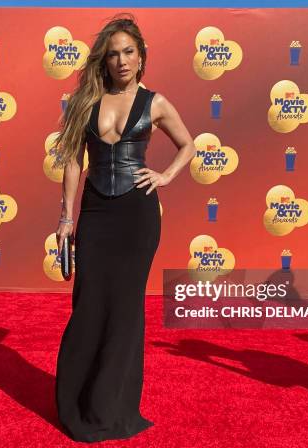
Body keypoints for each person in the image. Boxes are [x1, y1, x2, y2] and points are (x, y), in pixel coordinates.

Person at [53, 14, 196, 443]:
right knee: (90, 303)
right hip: (96, 214)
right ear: (105, 59)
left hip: (137, 216)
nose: (121, 61)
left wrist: (166, 175)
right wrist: (65, 218)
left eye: (128, 52)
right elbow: (74, 162)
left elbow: (188, 145)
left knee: (126, 310)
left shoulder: (156, 103)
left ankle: (111, 407)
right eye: (113, 53)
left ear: (141, 56)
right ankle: (76, 399)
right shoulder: (85, 101)